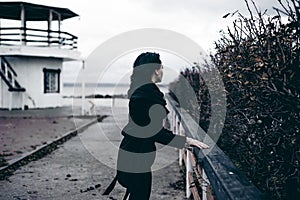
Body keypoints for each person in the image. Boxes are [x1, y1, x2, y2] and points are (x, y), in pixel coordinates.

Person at [103, 52, 209, 200]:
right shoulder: (143, 95)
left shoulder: (145, 92)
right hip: (135, 158)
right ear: (155, 70)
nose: (163, 71)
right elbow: (153, 132)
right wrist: (186, 141)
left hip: (136, 155)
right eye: (161, 67)